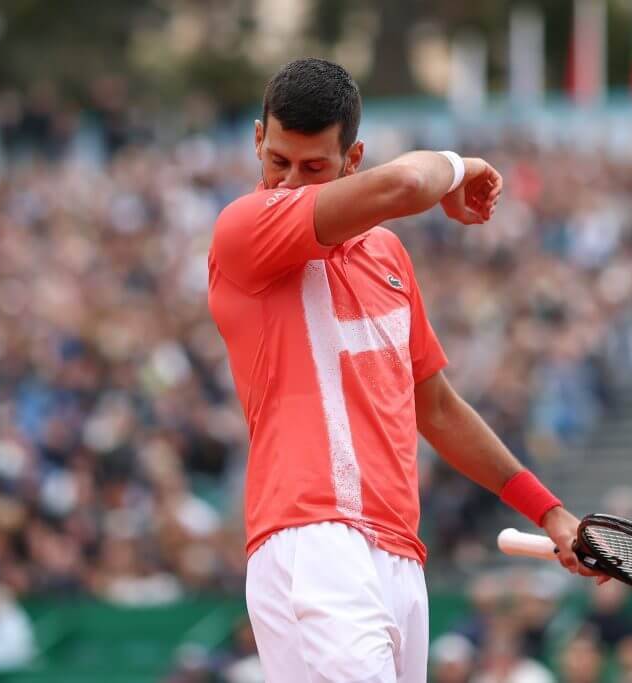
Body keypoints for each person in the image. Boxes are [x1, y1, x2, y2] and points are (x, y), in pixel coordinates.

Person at [207, 57, 607, 683]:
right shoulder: (244, 227)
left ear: (353, 159)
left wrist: (550, 512)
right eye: (278, 160)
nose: (289, 183)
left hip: (398, 552)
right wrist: (461, 167)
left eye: (313, 168)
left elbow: (438, 408)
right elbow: (405, 185)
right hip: (312, 538)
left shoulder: (387, 255)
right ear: (258, 140)